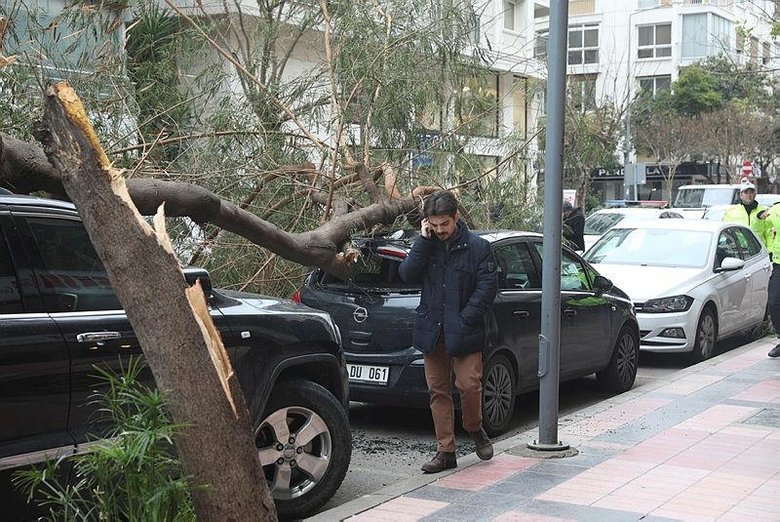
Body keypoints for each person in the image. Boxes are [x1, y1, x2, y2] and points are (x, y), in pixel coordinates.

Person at [398, 190, 499, 473]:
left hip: (465, 330)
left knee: (468, 385)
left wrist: (466, 318)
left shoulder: (478, 248)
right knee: (437, 391)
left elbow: (487, 288)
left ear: (456, 217)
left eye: (445, 224)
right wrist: (423, 241)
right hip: (433, 331)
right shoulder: (427, 244)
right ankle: (446, 451)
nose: (440, 230)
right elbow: (406, 274)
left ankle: (475, 428)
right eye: (435, 224)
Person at [756, 203, 780, 358]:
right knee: (774, 303)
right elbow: (759, 230)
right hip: (779, 263)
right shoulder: (776, 209)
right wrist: (759, 218)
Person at [722, 183, 771, 248]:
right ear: (741, 195)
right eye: (746, 192)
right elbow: (725, 230)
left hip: (759, 250)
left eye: (751, 192)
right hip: (739, 250)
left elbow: (769, 232)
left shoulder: (764, 211)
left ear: (755, 194)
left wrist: (769, 251)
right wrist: (732, 241)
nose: (749, 195)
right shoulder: (731, 211)